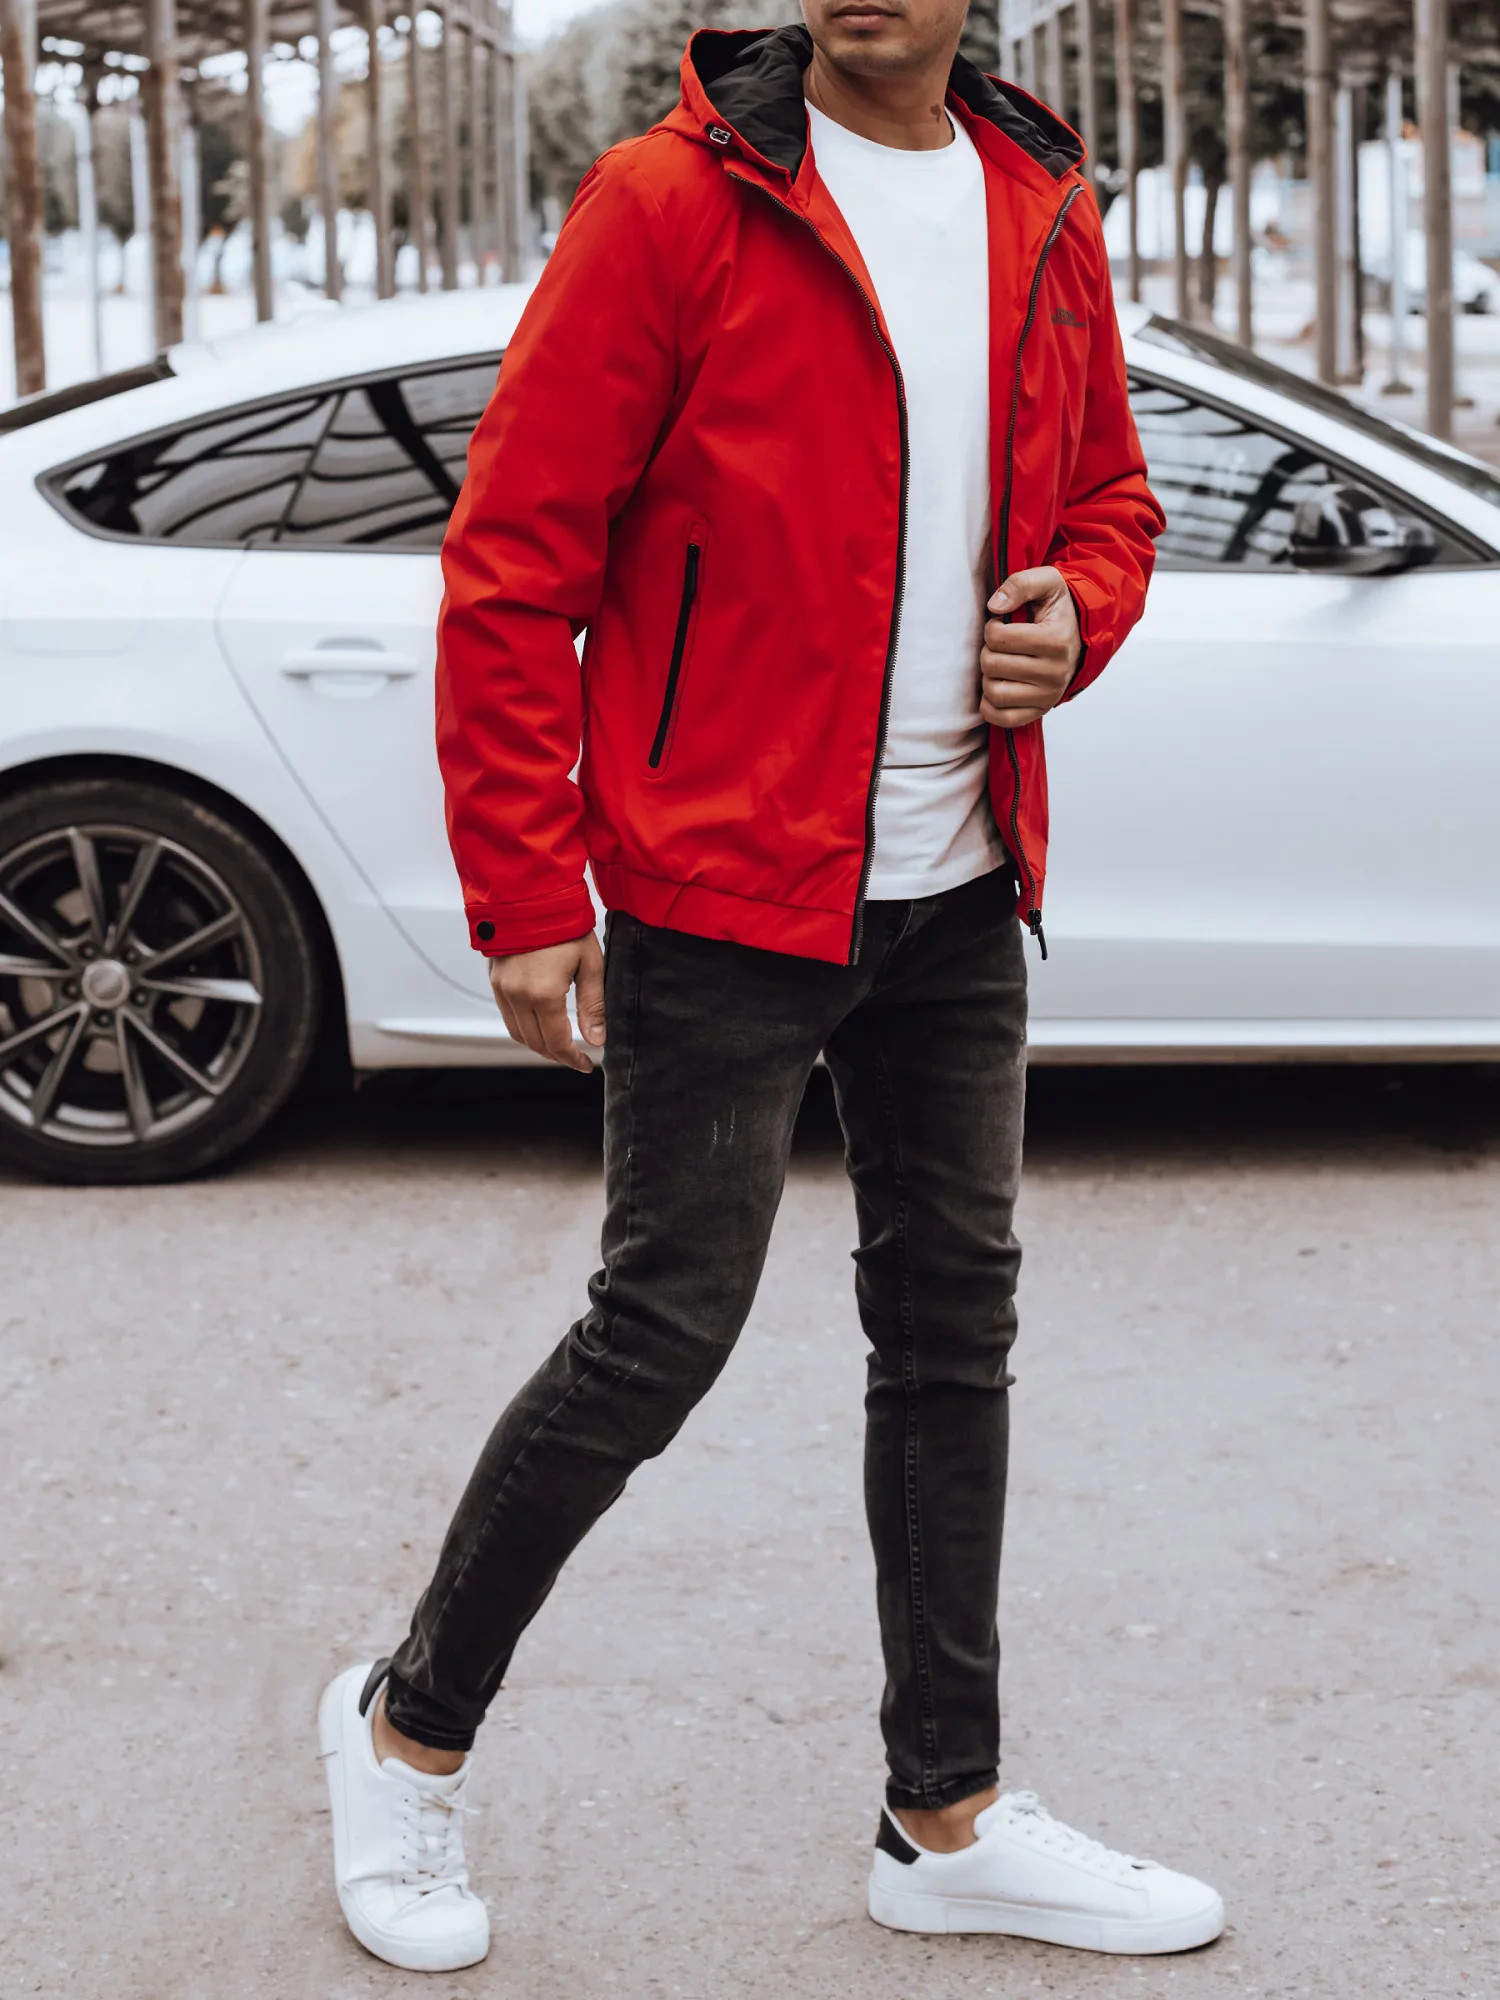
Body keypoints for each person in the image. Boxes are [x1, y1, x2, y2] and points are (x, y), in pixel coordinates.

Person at [318, 0, 1226, 1972]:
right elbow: (514, 558)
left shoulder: (1040, 206)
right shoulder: (670, 203)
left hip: (957, 883)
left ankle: (946, 1816)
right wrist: (523, 887)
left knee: (954, 1333)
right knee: (659, 1332)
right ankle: (402, 1732)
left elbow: (1112, 503)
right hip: (719, 885)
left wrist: (1079, 613)